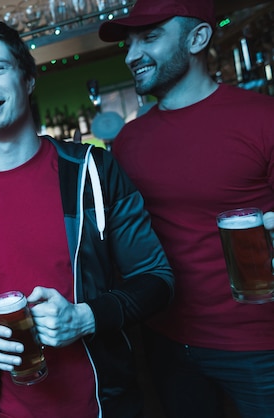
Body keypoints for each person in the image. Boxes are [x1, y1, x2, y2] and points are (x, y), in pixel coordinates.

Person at [0, 20, 175, 418]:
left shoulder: (92, 172)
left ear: (28, 79)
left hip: (105, 404)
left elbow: (158, 279)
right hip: (7, 408)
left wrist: (85, 318)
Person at [98, 0, 274, 417]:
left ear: (197, 38)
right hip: (166, 342)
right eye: (128, 42)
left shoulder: (263, 119)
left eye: (150, 37)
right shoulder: (127, 143)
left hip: (259, 345)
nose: (131, 54)